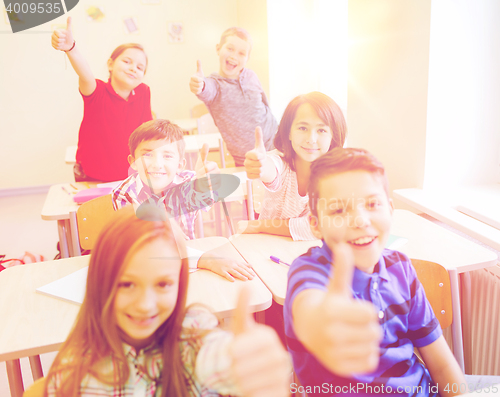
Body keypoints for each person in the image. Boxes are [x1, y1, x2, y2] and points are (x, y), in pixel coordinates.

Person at [42, 205, 290, 397]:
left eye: (163, 284)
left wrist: (252, 364)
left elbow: (221, 358)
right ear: (101, 281)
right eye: (127, 284)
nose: (145, 304)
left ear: (180, 282)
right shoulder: (79, 376)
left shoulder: (195, 333)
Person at [283, 148, 466, 396]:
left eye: (372, 204)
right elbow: (310, 308)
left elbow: (442, 366)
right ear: (315, 225)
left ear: (390, 210)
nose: (360, 219)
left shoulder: (400, 268)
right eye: (338, 210)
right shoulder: (308, 271)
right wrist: (321, 325)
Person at [112, 119, 255, 282]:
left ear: (180, 164)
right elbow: (148, 247)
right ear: (133, 162)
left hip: (191, 262)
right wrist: (207, 260)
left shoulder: (188, 181)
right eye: (147, 154)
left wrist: (209, 184)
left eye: (167, 156)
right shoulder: (124, 194)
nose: (157, 164)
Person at [51, 17, 152, 182]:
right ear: (110, 65)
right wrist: (71, 49)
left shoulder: (144, 92)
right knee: (95, 209)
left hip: (129, 174)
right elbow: (85, 74)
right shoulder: (97, 91)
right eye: (127, 61)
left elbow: (147, 131)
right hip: (92, 174)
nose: (133, 68)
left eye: (140, 67)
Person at [239, 91, 347, 241]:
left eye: (321, 130)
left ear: (333, 136)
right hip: (266, 245)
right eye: (303, 128)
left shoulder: (336, 177)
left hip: (307, 251)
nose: (311, 139)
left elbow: (318, 228)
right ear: (289, 132)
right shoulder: (281, 165)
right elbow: (271, 171)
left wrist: (260, 225)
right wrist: (261, 166)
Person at [189, 27, 277, 166]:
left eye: (241, 53)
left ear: (247, 58)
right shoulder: (215, 85)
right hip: (246, 159)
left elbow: (265, 105)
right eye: (230, 49)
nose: (234, 56)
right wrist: (200, 85)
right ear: (218, 49)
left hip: (276, 145)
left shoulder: (251, 75)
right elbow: (206, 89)